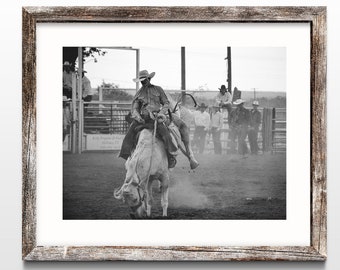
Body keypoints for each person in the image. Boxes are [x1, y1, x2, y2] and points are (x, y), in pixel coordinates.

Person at [119, 70, 198, 169]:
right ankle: (128, 156)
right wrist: (138, 117)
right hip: (142, 118)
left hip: (157, 117)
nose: (143, 82)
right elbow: (134, 108)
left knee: (169, 132)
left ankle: (177, 156)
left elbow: (166, 103)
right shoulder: (139, 93)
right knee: (129, 135)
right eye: (141, 81)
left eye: (144, 80)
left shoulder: (158, 89)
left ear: (149, 79)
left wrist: (160, 113)